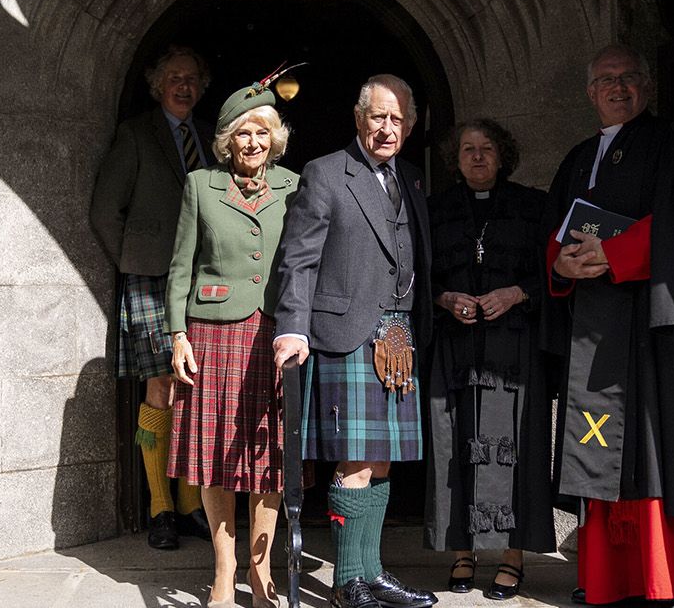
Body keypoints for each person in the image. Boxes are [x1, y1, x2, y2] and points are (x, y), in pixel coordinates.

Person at [543, 45, 674, 606]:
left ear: (647, 87)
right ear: (590, 93)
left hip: (657, 325)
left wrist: (616, 255)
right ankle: (608, 580)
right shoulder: (579, 156)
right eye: (606, 80)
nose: (618, 87)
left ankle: (667, 581)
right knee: (600, 452)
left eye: (629, 78)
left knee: (660, 454)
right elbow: (554, 232)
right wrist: (559, 264)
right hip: (597, 330)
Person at [272, 74, 438, 608]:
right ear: (359, 118)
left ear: (409, 127)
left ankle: (373, 572)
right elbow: (298, 257)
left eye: (397, 119)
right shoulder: (324, 173)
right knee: (355, 460)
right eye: (378, 117)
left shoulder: (411, 179)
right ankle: (348, 582)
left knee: (383, 458)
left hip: (399, 335)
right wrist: (292, 326)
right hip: (344, 335)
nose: (387, 128)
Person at [166, 74, 300, 608]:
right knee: (216, 455)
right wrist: (177, 335)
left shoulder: (295, 185)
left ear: (275, 138)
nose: (253, 143)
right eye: (243, 133)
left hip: (275, 333)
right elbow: (180, 268)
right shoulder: (201, 186)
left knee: (270, 454)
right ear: (226, 140)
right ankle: (223, 573)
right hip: (213, 330)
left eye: (262, 132)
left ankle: (260, 568)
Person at [423, 119, 553, 601]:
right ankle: (463, 552)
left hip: (514, 347)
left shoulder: (533, 207)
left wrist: (516, 293)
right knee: (455, 444)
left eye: (487, 149)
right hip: (455, 346)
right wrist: (443, 298)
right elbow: (415, 274)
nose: (477, 157)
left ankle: (511, 557)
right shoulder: (435, 211)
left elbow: (555, 276)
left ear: (503, 155)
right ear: (455, 160)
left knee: (515, 448)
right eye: (467, 150)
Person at [90, 45, 214, 549]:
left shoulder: (210, 138)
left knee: (196, 388)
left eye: (192, 79)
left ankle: (190, 506)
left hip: (206, 281)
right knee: (160, 386)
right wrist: (134, 259)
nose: (183, 86)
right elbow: (104, 210)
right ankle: (161, 506)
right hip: (152, 279)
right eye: (174, 78)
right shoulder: (136, 134)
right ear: (158, 84)